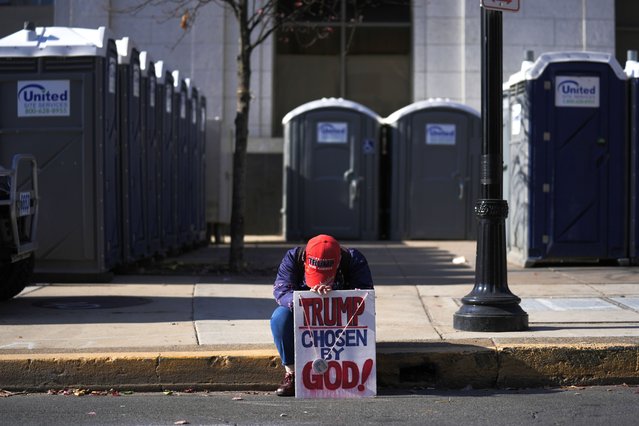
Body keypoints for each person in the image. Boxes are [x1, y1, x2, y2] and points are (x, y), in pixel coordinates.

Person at [270, 234, 374, 397]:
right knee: (280, 318)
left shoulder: (354, 260)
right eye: (316, 275)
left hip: (341, 319)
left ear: (338, 261)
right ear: (305, 259)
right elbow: (281, 291)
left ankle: (350, 370)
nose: (320, 282)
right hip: (302, 314)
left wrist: (335, 297)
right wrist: (307, 300)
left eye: (327, 276)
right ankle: (292, 373)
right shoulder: (293, 257)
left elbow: (365, 297)